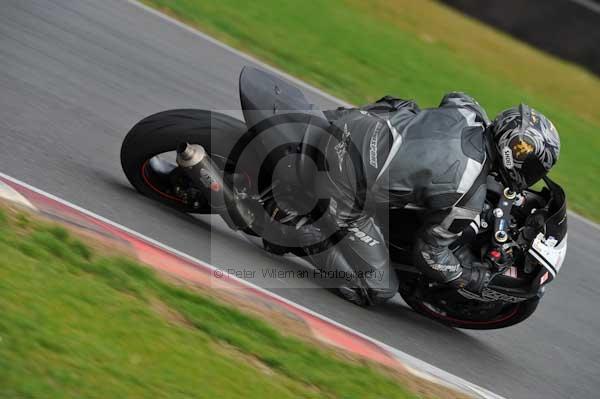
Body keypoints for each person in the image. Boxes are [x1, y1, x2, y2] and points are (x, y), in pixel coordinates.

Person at [295, 93, 561, 305]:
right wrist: (466, 276)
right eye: (534, 168)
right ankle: (303, 232)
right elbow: (428, 254)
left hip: (357, 123)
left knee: (404, 106)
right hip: (342, 181)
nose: (532, 176)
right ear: (513, 156)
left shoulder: (469, 110)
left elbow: (453, 96)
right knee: (379, 288)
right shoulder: (467, 194)